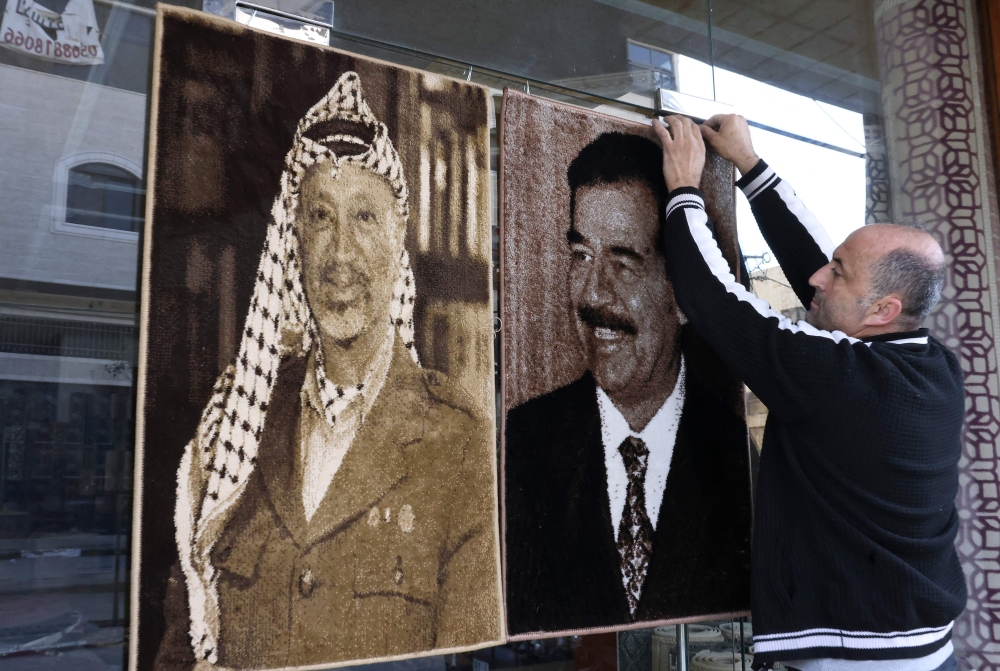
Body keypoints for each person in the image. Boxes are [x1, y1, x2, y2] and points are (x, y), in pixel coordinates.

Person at [155, 71, 500, 670]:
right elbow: (178, 649)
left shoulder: (460, 445)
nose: (340, 254)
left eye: (364, 217)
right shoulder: (232, 429)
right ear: (295, 243)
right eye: (319, 217)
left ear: (398, 242)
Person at [652, 113, 964, 671]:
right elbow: (818, 268)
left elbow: (715, 301)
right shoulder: (931, 365)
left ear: (883, 310)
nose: (819, 278)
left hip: (853, 657)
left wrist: (683, 188)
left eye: (839, 273)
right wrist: (751, 167)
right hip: (921, 650)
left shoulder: (838, 377)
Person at [504, 132, 751, 635]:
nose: (592, 293)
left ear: (684, 294)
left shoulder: (736, 456)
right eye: (581, 257)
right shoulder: (524, 442)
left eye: (622, 262)